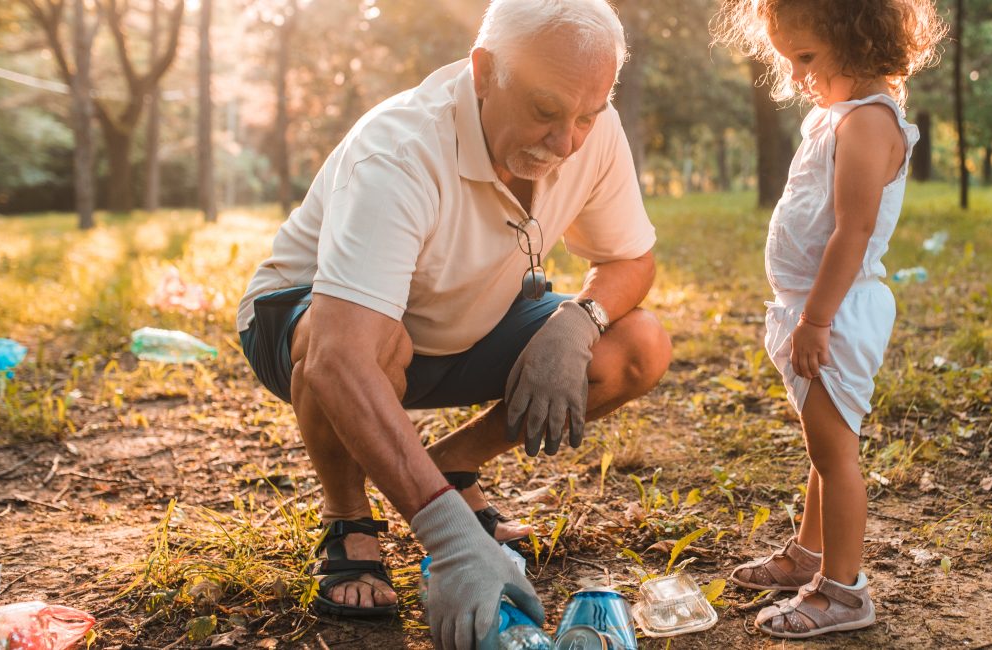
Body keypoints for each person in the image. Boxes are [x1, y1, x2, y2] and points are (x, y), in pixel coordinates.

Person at [235, 0, 671, 646]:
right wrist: (448, 537)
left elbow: (632, 260)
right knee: (361, 344)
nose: (567, 142)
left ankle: (448, 467)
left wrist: (579, 320)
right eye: (547, 112)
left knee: (638, 342)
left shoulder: (588, 129)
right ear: (486, 69)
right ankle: (349, 517)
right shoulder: (402, 149)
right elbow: (338, 356)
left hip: (466, 320)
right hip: (320, 325)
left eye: (588, 115)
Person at [713, 0, 944, 639]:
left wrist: (814, 321)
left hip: (834, 313)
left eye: (807, 58)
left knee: (836, 455)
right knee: (821, 447)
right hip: (814, 310)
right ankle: (807, 556)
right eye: (788, 60)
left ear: (856, 35)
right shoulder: (839, 116)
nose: (796, 76)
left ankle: (844, 590)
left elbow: (853, 230)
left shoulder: (869, 123)